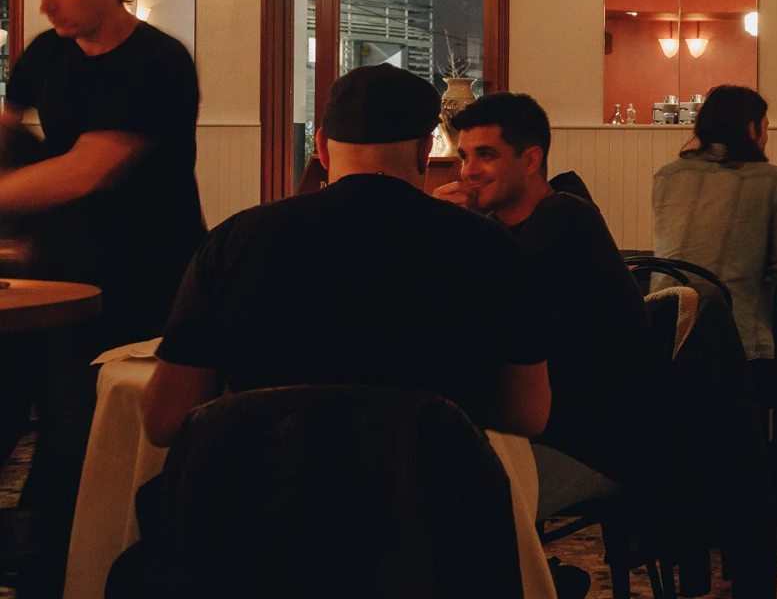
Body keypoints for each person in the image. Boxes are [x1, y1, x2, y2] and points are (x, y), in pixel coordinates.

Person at [0, 0, 204, 599]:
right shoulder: (46, 53)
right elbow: (10, 135)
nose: (46, 3)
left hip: (138, 289)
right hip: (56, 280)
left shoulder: (156, 63)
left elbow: (87, 170)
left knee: (76, 467)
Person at [140, 65, 550, 444]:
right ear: (425, 149)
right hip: (436, 496)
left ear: (321, 146)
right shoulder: (492, 247)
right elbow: (529, 415)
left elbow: (164, 420)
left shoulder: (234, 242)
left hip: (268, 496)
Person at [435, 92, 657, 504]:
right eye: (464, 156)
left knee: (439, 486)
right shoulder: (503, 227)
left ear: (531, 160)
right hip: (543, 430)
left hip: (592, 446)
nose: (468, 171)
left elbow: (489, 331)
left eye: (486, 155)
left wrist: (447, 237)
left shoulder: (565, 222)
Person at [652, 85, 777, 504]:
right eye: (765, 126)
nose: (767, 135)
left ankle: (729, 484)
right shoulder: (772, 180)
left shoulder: (667, 176)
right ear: (751, 128)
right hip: (735, 350)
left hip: (663, 345)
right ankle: (765, 480)